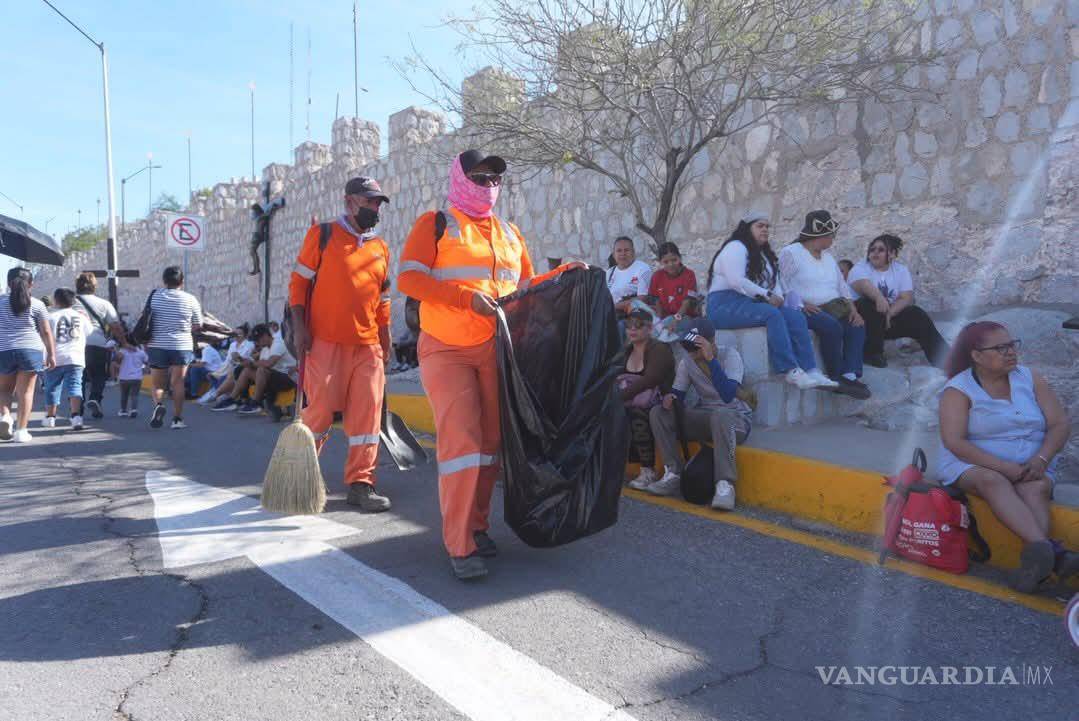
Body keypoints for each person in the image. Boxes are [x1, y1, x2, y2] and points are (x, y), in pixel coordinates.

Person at [398, 149, 579, 579]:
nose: (489, 186)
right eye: (479, 178)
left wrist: (564, 275)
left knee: (490, 444)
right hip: (446, 347)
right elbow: (409, 278)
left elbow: (526, 287)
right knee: (462, 441)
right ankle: (460, 544)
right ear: (460, 180)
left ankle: (476, 526)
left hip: (496, 348)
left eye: (495, 179)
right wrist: (464, 298)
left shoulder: (510, 233)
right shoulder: (436, 224)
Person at [937, 321, 1076, 592]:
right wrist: (1004, 467)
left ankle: (1041, 559)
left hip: (1033, 464)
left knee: (1035, 487)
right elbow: (954, 441)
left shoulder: (1030, 378)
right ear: (976, 356)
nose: (1011, 352)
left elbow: (1059, 424)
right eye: (1001, 348)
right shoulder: (958, 389)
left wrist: (1041, 459)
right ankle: (1055, 555)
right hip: (974, 464)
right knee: (993, 481)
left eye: (1012, 345)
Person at [288, 176, 394, 511]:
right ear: (349, 201)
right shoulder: (322, 234)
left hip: (368, 346)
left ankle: (362, 485)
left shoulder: (380, 248)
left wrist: (385, 339)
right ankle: (299, 479)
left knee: (367, 418)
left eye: (378, 203)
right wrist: (299, 327)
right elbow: (298, 284)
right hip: (325, 342)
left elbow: (383, 299)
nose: (374, 208)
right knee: (319, 412)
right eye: (369, 201)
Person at [705, 211, 836, 391]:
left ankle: (811, 369)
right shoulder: (735, 247)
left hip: (749, 302)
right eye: (760, 226)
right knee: (771, 314)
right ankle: (789, 369)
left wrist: (780, 298)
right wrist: (767, 295)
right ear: (747, 229)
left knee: (795, 317)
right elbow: (736, 281)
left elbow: (775, 284)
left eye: (767, 226)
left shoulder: (764, 255)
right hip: (723, 305)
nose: (765, 229)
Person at [648, 318, 753, 509]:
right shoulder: (687, 361)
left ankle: (725, 484)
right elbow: (678, 395)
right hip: (706, 416)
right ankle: (673, 473)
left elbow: (728, 395)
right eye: (688, 348)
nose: (692, 353)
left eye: (695, 347)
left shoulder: (730, 356)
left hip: (735, 420)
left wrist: (710, 360)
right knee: (658, 413)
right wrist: (671, 398)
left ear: (711, 342)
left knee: (721, 414)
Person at [777, 210, 870, 399]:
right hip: (804, 308)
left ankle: (849, 375)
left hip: (832, 305)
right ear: (819, 236)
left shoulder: (828, 257)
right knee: (831, 327)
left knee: (857, 324)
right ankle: (835, 375)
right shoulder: (791, 253)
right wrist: (802, 303)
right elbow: (781, 283)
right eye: (830, 235)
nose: (832, 239)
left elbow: (842, 287)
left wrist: (853, 310)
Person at [848, 234, 950, 369]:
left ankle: (945, 359)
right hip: (863, 322)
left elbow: (906, 297)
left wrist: (889, 314)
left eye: (881, 250)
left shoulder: (900, 270)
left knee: (916, 314)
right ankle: (872, 353)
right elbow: (863, 285)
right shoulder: (860, 267)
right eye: (872, 249)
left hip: (887, 319)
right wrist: (879, 298)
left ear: (892, 254)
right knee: (867, 303)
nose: (875, 253)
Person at [620, 309, 676, 490]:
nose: (632, 329)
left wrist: (618, 397)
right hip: (630, 401)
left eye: (638, 325)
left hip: (660, 404)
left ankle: (647, 471)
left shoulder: (659, 349)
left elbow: (651, 379)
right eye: (628, 325)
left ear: (650, 328)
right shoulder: (626, 351)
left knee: (638, 414)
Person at [0, 268, 55, 443]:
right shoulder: (37, 304)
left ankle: (5, 416)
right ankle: (21, 431)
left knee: (4, 390)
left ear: (8, 283)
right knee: (26, 392)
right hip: (30, 350)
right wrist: (51, 354)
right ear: (31, 284)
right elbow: (46, 331)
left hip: (4, 349)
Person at [146, 266, 203, 430]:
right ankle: (177, 419)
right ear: (182, 281)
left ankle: (158, 405)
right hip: (181, 345)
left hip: (157, 344)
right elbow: (198, 325)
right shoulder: (190, 299)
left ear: (164, 281)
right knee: (178, 382)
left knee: (158, 384)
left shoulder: (155, 296)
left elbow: (147, 318)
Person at [73, 272, 124, 419]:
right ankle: (95, 398)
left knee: (78, 378)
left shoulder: (70, 302)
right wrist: (124, 342)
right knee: (99, 375)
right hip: (98, 343)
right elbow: (115, 326)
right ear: (94, 286)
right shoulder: (104, 304)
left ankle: (77, 410)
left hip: (76, 345)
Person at [229, 323, 297, 421]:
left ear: (265, 336)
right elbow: (257, 364)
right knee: (247, 370)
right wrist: (240, 359)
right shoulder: (265, 349)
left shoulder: (278, 343)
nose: (257, 343)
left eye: (258, 340)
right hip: (275, 378)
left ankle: (256, 402)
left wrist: (253, 363)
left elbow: (269, 363)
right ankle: (232, 399)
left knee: (261, 370)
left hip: (289, 377)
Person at [42, 288, 88, 431]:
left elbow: (45, 336)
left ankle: (50, 417)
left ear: (55, 300)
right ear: (73, 301)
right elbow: (89, 331)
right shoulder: (80, 317)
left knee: (52, 387)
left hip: (55, 356)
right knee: (75, 386)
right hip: (75, 357)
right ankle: (76, 416)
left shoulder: (51, 317)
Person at [200, 323, 252, 405]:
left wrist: (236, 359)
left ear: (245, 335)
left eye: (239, 334)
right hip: (229, 366)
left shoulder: (249, 345)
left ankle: (215, 394)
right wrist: (218, 371)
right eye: (235, 334)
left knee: (228, 374)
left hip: (239, 367)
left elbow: (242, 360)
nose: (236, 336)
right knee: (211, 375)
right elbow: (228, 360)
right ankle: (220, 393)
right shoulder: (232, 345)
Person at [648, 242, 699, 319]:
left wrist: (676, 319)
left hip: (684, 317)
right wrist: (659, 320)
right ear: (660, 262)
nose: (670, 264)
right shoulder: (657, 276)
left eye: (674, 260)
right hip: (665, 318)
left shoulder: (689, 275)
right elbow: (656, 300)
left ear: (680, 258)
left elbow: (687, 302)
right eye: (666, 262)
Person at [607, 236, 653, 316]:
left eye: (626, 250)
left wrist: (614, 306)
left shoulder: (642, 269)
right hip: (611, 315)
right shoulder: (609, 272)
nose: (623, 254)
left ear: (633, 252)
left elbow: (643, 299)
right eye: (619, 251)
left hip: (632, 317)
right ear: (614, 254)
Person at [115, 342, 148, 417]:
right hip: (137, 377)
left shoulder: (122, 351)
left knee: (124, 395)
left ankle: (123, 410)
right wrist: (145, 370)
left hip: (124, 377)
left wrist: (116, 349)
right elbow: (147, 361)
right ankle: (133, 409)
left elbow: (116, 360)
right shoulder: (141, 352)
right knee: (135, 395)